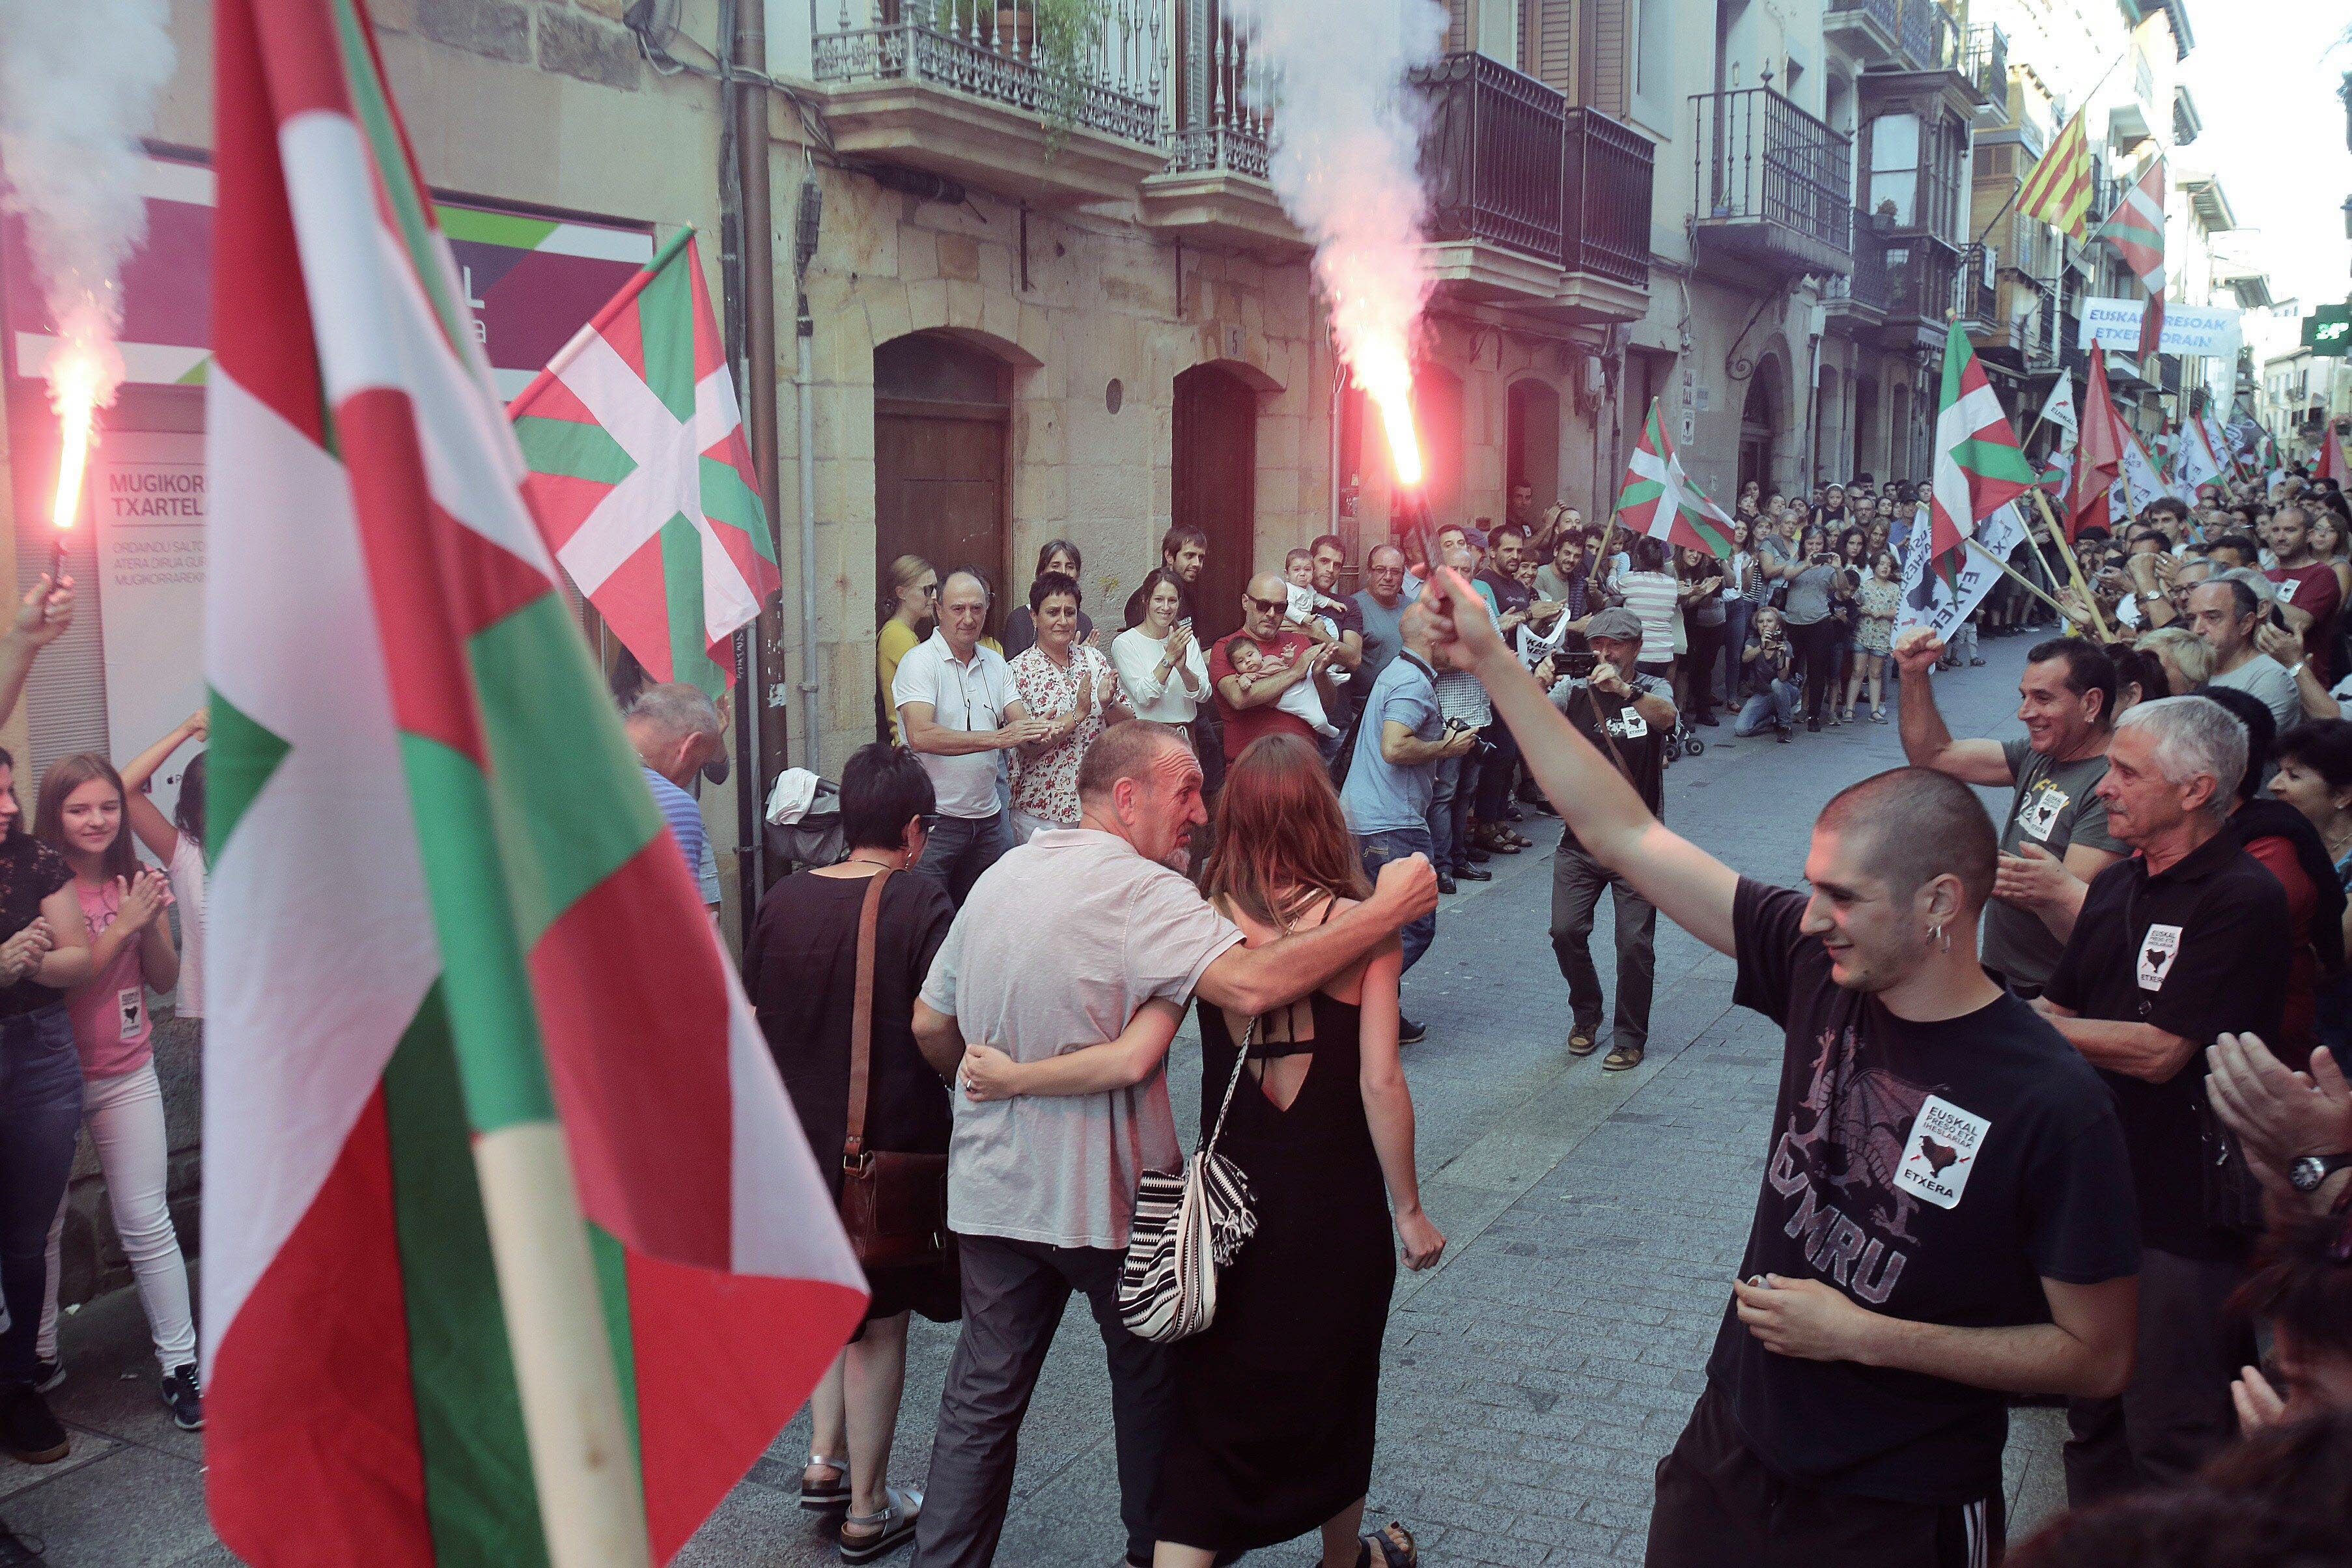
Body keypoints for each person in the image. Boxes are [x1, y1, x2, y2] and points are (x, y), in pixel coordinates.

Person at [1412, 568, 2141, 1567]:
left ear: (1938, 903)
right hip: (1732, 1448)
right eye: (1811, 889)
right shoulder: (1816, 965)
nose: (1813, 918)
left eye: (1844, 897)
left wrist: (1864, 1335)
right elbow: (1624, 831)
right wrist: (1496, 660)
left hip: (1899, 1504)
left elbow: (2098, 1357)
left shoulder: (2054, 1103)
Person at [905, 720, 1436, 1568]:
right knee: (1161, 1385)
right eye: (1184, 791)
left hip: (1001, 1188)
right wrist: (1387, 912)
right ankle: (1166, 1552)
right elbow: (1261, 997)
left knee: (982, 1401)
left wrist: (991, 1084)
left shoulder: (1005, 874)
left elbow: (932, 1024)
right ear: (1128, 797)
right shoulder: (1152, 896)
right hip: (1118, 1196)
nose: (1200, 810)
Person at [2035, 697, 2289, 1503]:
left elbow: (2161, 1051)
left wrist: (2015, 1025)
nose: (2104, 786)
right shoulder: (2116, 883)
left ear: (2196, 789)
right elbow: (2060, 1008)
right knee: (2094, 1413)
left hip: (2184, 1213)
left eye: (2126, 771)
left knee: (2176, 1428)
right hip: (2096, 1194)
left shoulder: (2241, 896)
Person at [745, 744, 957, 1561]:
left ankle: (822, 1458)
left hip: (794, 1144)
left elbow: (755, 1014)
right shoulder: (917, 898)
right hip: (880, 1145)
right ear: (913, 828)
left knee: (828, 1305)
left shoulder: (783, 898)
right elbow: (939, 1021)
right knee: (878, 1326)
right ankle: (868, 1509)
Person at [23, 755, 193, 1435]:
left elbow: (163, 979)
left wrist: (147, 923)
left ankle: (182, 1363)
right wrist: (120, 925)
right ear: (54, 814)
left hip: (128, 1072)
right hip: (50, 1079)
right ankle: (39, 1356)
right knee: (43, 1224)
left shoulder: (136, 880)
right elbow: (63, 987)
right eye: (79, 809)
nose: (97, 820)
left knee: (147, 1220)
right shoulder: (38, 886)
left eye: (108, 806)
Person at [1897, 636, 2125, 998]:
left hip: (2053, 993)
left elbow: (2070, 905)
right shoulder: (2043, 752)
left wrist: (1969, 866)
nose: (2024, 713)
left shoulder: (2112, 785)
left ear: (2091, 703)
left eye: (2043, 698)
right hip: (2003, 974)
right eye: (2024, 697)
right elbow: (1935, 756)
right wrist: (1914, 675)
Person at [1546, 608, 1673, 1072]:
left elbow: (1667, 718)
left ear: (1636, 648)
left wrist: (1624, 691)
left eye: (1616, 644)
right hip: (1581, 841)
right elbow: (1530, 722)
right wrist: (1536, 683)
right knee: (1565, 932)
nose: (1605, 653)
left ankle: (1630, 1036)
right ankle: (1587, 1012)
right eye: (1598, 644)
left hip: (1638, 845)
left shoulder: (1653, 689)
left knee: (1634, 944)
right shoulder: (1574, 691)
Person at [1339, 604, 1471, 1013]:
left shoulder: (1398, 672)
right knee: (1414, 927)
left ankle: (1381, 1014)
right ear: (1434, 639)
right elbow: (1394, 747)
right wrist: (1446, 748)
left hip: (1365, 822)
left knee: (1377, 927)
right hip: (1391, 826)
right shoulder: (1413, 682)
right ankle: (1356, 1002)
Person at [895, 569, 1050, 905]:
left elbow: (1022, 729)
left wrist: (1052, 725)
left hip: (989, 821)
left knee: (988, 916)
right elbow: (920, 735)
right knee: (929, 918)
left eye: (977, 608)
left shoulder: (996, 663)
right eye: (958, 608)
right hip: (935, 823)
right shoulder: (919, 662)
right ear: (939, 609)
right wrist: (999, 739)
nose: (969, 618)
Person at [1007, 572, 1132, 841]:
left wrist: (1108, 704)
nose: (1063, 621)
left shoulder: (1093, 659)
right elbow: (1027, 746)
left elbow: (1128, 723)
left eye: (1070, 612)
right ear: (1034, 617)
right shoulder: (1017, 671)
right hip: (1042, 812)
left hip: (1096, 805)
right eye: (1053, 612)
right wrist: (1077, 714)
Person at [2270, 720, 2352, 1057]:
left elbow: (2328, 961)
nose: (2273, 785)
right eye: (2279, 772)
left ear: (2342, 795)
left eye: (2293, 776)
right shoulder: (2286, 842)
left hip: (2337, 1044)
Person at [1209, 572, 1337, 768]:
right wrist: (1296, 671)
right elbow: (1239, 698)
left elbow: (1328, 706)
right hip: (1252, 769)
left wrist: (1320, 675)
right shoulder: (1227, 648)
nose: (1271, 614)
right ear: (1246, 602)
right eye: (1263, 605)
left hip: (1304, 764)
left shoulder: (1299, 641)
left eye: (1280, 608)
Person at [624, 682, 725, 922]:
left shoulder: (564, 775)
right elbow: (674, 925)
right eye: (699, 763)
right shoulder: (676, 805)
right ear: (689, 746)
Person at [2185, 578, 2301, 733]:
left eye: (2213, 618)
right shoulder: (2191, 668)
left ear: (2246, 623)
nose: (2197, 630)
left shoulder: (2269, 678)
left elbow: (2243, 746)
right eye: (2192, 619)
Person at [1112, 568, 1211, 725]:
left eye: (1172, 601)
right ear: (1145, 599)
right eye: (1159, 599)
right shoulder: (1125, 642)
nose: (1166, 607)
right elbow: (1144, 696)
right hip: (1148, 732)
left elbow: (1204, 694)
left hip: (1184, 731)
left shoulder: (1185, 639)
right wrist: (1169, 658)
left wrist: (1183, 670)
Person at [2263, 504, 2342, 682]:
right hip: (2266, 676)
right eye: (2275, 530)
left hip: (2305, 681)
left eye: (2290, 530)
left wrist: (2256, 591)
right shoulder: (2266, 576)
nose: (2280, 537)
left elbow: (2300, 623)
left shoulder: (2323, 575)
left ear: (2309, 535)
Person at [1782, 525, 1845, 731]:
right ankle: (1784, 713)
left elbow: (1842, 587)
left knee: (1817, 671)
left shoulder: (1828, 567)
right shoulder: (1796, 560)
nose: (1815, 548)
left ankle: (1814, 715)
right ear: (1804, 544)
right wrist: (1806, 565)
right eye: (1810, 543)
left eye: (1819, 544)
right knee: (1788, 670)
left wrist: (1838, 568)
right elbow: (1787, 575)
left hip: (1819, 624)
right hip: (1794, 624)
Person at [878, 553, 940, 744]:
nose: (934, 596)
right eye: (927, 590)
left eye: (935, 588)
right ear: (902, 593)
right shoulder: (896, 634)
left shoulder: (904, 632)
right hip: (908, 743)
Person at [1002, 540, 1097, 661]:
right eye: (1055, 566)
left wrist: (1082, 657)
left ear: (1077, 574)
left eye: (1070, 567)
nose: (1063, 572)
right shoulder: (1019, 619)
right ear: (1041, 572)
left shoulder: (1084, 621)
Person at [1612, 537, 1679, 682]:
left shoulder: (1630, 579)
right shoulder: (1671, 584)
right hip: (1663, 654)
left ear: (1638, 557)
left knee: (1632, 692)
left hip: (1639, 653)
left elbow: (1611, 586)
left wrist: (1613, 568)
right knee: (1654, 691)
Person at [1676, 545, 1728, 727]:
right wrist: (1689, 592)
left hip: (1692, 624)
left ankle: (1686, 714)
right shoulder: (1671, 569)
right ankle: (1673, 716)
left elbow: (1700, 604)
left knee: (1687, 670)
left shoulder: (1701, 571)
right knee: (1674, 672)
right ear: (1681, 551)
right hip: (1673, 625)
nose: (1695, 555)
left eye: (1699, 552)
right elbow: (1677, 601)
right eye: (1691, 550)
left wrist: (1705, 591)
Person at [1847, 551, 1900, 723]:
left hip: (1882, 636)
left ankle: (1875, 710)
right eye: (1882, 564)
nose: (1885, 568)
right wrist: (1861, 610)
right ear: (1875, 566)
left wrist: (1883, 613)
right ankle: (1849, 709)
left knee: (1876, 673)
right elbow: (1853, 604)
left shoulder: (1895, 589)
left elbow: (1897, 611)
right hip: (1862, 633)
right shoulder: (1865, 586)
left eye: (1889, 565)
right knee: (1858, 671)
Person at [1123, 526, 1209, 633]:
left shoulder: (1189, 596)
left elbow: (1195, 640)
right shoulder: (1142, 598)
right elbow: (1138, 641)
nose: (1197, 563)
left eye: (1201, 558)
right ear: (1169, 556)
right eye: (1189, 556)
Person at [1733, 605, 1799, 740]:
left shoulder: (1785, 645)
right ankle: (1772, 720)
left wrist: (1781, 657)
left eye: (1769, 621)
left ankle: (1785, 726)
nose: (1765, 625)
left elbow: (1783, 678)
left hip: (1787, 691)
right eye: (1761, 622)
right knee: (1741, 729)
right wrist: (1762, 647)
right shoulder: (1753, 642)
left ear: (1777, 626)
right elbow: (1745, 658)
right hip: (1763, 694)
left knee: (1777, 683)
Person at [1352, 543, 1412, 688]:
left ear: (1403, 575)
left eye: (1395, 572)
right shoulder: (1354, 608)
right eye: (1380, 570)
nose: (1388, 577)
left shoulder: (1412, 608)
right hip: (1367, 700)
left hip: (1408, 693)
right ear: (1369, 572)